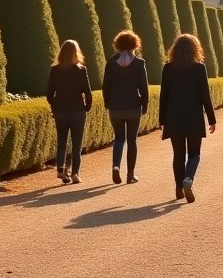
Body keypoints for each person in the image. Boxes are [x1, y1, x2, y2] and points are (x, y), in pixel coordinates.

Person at [160, 33, 217, 203]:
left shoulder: (168, 68)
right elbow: (205, 96)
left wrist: (161, 120)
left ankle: (178, 187)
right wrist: (212, 119)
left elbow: (164, 96)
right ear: (195, 49)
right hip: (193, 116)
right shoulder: (199, 68)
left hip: (173, 115)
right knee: (194, 153)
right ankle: (188, 179)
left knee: (178, 154)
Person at [102, 30, 149, 185]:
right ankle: (130, 174)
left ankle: (116, 166)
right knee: (132, 140)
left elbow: (106, 87)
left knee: (119, 139)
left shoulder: (111, 62)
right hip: (133, 106)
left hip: (115, 107)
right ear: (135, 44)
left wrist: (107, 103)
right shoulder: (139, 63)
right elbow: (143, 87)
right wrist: (145, 105)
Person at [46, 40, 93, 184]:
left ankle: (61, 169)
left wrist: (55, 106)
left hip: (61, 111)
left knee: (61, 142)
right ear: (75, 53)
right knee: (76, 144)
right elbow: (88, 93)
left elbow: (49, 94)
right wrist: (87, 107)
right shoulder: (81, 70)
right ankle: (75, 174)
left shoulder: (54, 70)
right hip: (77, 111)